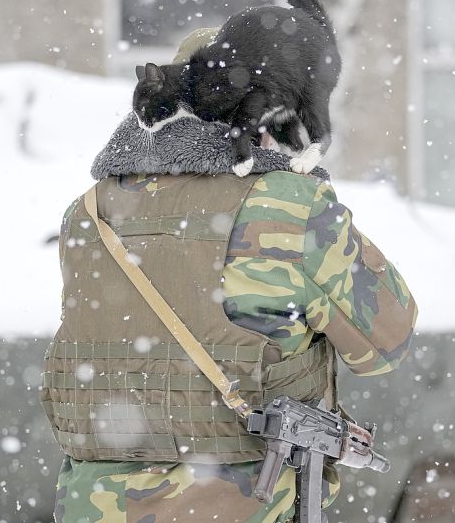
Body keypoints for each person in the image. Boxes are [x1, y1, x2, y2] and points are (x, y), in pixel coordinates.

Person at [41, 30, 418, 523]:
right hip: (243, 504)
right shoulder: (285, 205)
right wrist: (309, 201)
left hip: (95, 505)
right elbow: (387, 340)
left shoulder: (89, 210)